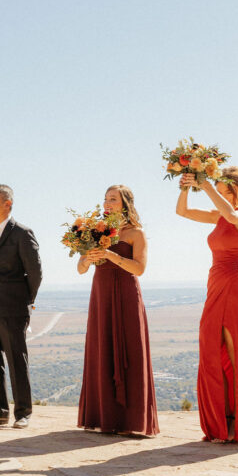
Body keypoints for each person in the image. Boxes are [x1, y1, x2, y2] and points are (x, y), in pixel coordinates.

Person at [176, 169, 238, 443]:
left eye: (225, 191)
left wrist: (208, 186)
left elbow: (234, 216)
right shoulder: (218, 215)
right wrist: (187, 186)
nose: (219, 196)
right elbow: (183, 212)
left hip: (237, 287)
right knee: (212, 349)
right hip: (215, 287)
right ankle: (220, 422)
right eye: (219, 191)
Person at [76, 185, 158, 436]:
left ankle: (131, 421)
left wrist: (111, 256)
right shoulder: (95, 230)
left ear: (125, 203)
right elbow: (80, 269)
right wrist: (89, 257)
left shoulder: (136, 233)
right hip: (101, 296)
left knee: (131, 350)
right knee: (102, 349)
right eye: (105, 199)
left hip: (125, 294)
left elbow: (139, 269)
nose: (107, 203)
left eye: (113, 199)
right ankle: (104, 417)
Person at [0, 184, 42, 429]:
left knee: (16, 359)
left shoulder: (22, 233)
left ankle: (23, 412)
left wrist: (26, 301)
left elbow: (35, 273)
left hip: (13, 307)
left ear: (8, 204)